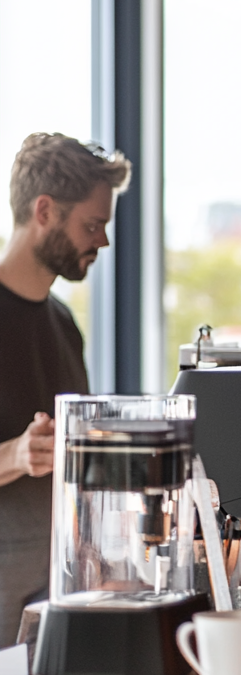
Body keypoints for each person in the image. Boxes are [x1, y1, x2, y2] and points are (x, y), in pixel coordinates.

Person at [0, 132, 131, 647]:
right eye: (93, 224)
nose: (102, 241)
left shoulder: (62, 323)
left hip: (57, 590)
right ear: (46, 211)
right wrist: (14, 454)